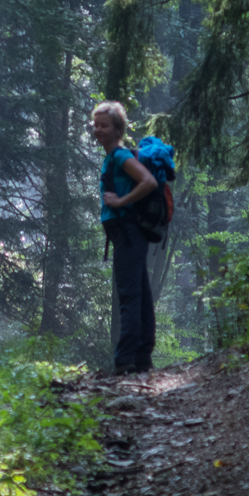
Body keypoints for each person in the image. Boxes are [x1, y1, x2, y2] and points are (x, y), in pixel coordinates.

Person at [91, 101, 158, 376]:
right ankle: (141, 357)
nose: (98, 131)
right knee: (139, 293)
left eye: (104, 126)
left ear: (117, 129)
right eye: (95, 125)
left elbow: (149, 181)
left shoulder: (119, 156)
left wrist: (120, 202)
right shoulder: (112, 157)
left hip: (128, 232)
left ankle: (125, 360)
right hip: (126, 234)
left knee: (129, 295)